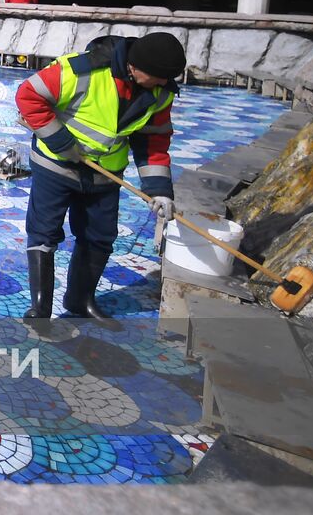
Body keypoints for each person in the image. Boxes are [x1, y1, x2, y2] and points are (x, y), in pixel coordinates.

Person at [14, 31, 185, 320]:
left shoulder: (160, 92)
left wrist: (159, 190)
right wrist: (61, 141)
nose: (162, 84)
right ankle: (40, 307)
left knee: (100, 236)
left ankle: (80, 300)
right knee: (44, 232)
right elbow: (28, 95)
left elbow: (153, 143)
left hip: (105, 174)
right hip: (57, 164)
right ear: (135, 66)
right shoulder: (83, 71)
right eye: (158, 77)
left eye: (166, 79)